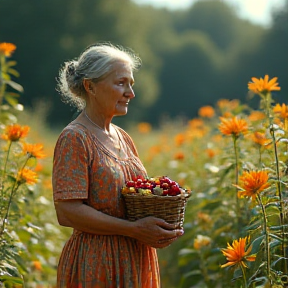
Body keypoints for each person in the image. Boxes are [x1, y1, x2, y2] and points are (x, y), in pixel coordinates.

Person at [52, 42, 184, 288]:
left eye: (131, 84)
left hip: (136, 259)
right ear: (90, 86)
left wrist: (158, 224)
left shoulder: (123, 137)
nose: (130, 93)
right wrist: (133, 229)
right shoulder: (75, 138)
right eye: (121, 83)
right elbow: (67, 211)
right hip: (98, 262)